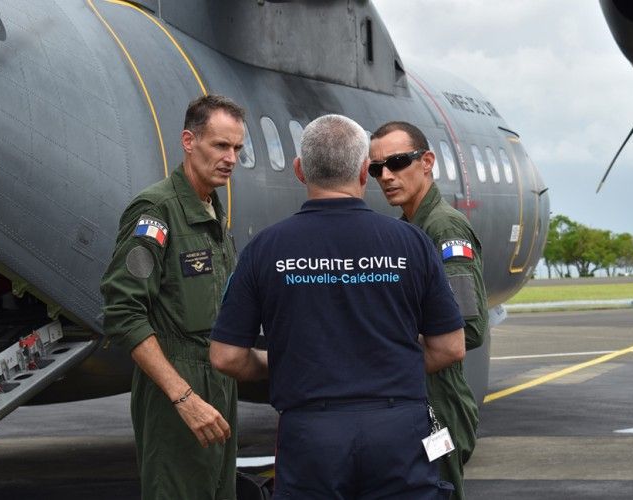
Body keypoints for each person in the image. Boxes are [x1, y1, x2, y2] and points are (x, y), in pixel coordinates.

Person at [209, 114, 465, 499]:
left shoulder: (264, 250)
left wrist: (277, 364)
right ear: (365, 171)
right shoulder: (411, 244)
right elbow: (450, 347)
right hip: (397, 431)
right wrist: (385, 363)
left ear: (299, 170)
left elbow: (226, 357)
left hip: (311, 433)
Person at [100, 94, 245, 500]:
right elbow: (124, 311)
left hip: (218, 381)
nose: (230, 157)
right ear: (188, 141)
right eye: (220, 145)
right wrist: (183, 397)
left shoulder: (211, 212)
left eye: (237, 148)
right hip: (175, 386)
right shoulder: (157, 210)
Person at [369, 121, 489, 500]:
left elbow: (468, 327)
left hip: (437, 405)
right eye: (376, 168)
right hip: (410, 397)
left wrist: (387, 354)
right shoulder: (407, 229)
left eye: (398, 162)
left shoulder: (444, 230)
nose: (386, 176)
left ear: (427, 162)